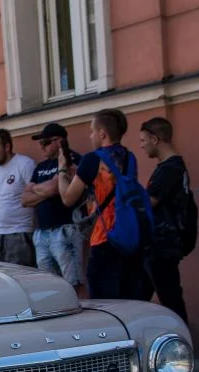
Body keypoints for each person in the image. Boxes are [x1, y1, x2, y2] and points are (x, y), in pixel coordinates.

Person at [58, 108, 146, 300]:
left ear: (102, 133)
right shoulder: (130, 158)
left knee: (104, 304)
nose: (90, 136)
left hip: (105, 238)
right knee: (129, 302)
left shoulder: (92, 159)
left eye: (92, 131)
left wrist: (61, 171)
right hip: (130, 237)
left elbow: (67, 198)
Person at [20, 122, 86, 297]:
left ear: (59, 140)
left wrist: (38, 189)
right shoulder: (40, 167)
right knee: (48, 284)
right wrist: (46, 189)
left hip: (65, 229)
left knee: (73, 282)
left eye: (45, 142)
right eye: (40, 143)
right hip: (42, 233)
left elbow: (55, 189)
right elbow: (24, 199)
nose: (41, 147)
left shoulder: (72, 160)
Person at [138, 117, 190, 323]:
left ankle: (183, 343)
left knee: (170, 300)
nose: (141, 145)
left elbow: (149, 202)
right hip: (158, 243)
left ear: (155, 139)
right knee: (138, 296)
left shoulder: (170, 168)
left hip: (163, 244)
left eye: (143, 140)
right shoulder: (171, 167)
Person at [0, 128, 37, 266]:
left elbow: (35, 195)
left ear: (7, 146)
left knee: (21, 277)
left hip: (20, 233)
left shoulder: (25, 164)